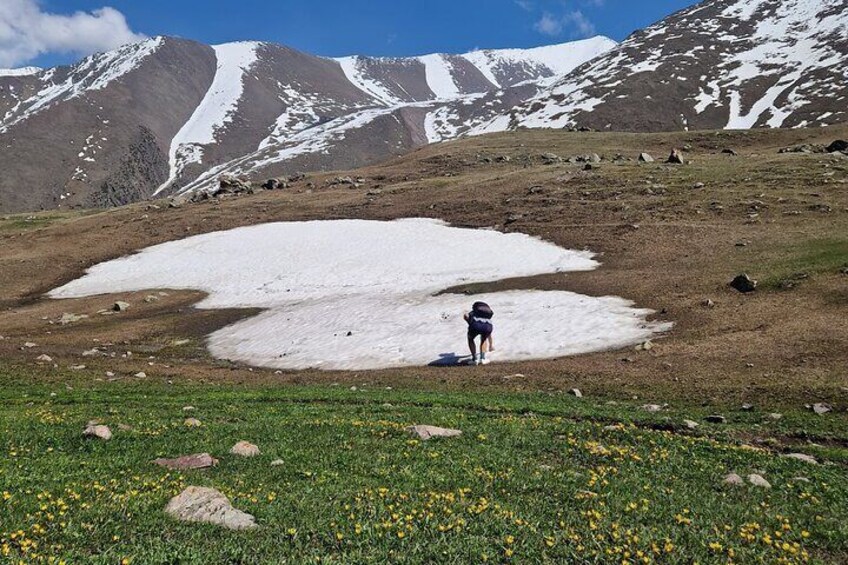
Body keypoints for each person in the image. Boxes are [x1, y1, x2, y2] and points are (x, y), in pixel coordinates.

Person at [464, 301, 494, 365]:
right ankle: (482, 358)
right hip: (488, 327)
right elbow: (489, 335)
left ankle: (475, 359)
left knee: (470, 339)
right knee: (483, 339)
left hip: (475, 326)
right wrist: (491, 345)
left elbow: (466, 316)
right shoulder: (488, 316)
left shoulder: (473, 312)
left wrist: (469, 322)